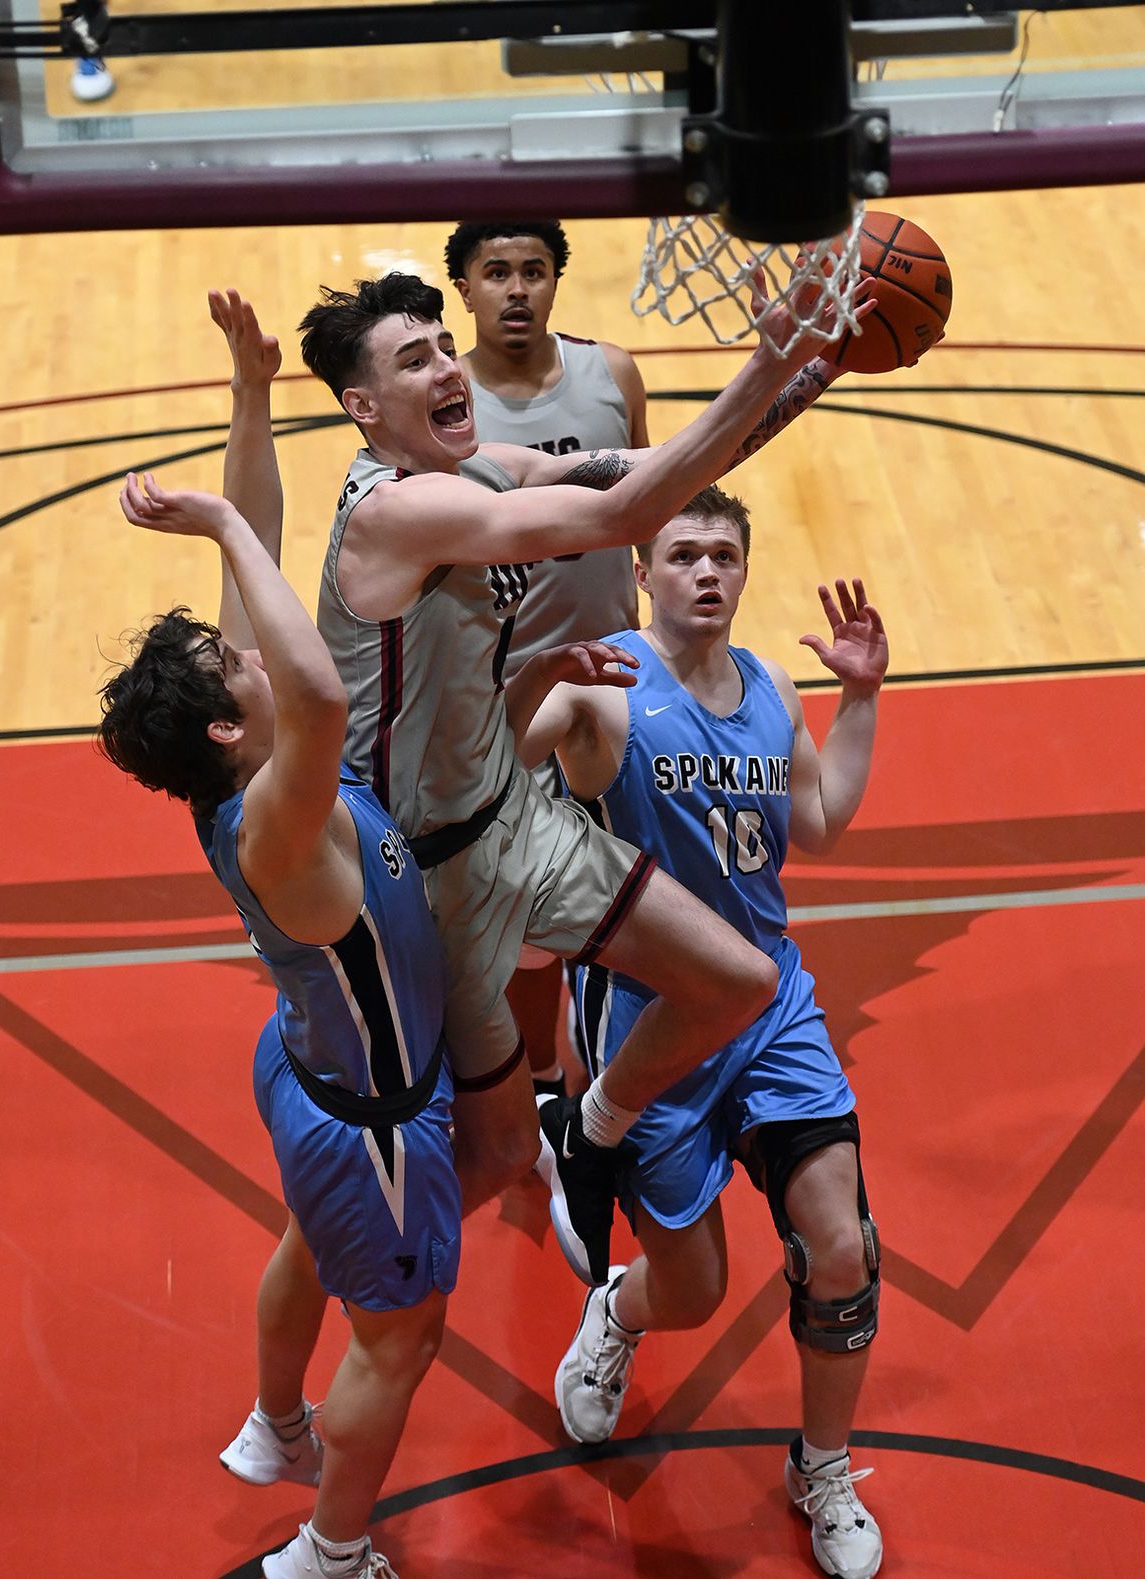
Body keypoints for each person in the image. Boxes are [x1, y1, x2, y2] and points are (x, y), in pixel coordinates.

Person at [295, 268, 873, 1282]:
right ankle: (335, 1274)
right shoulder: (395, 513)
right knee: (495, 1152)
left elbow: (650, 467)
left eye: (442, 347)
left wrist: (815, 368)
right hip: (424, 872)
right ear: (364, 408)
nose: (446, 367)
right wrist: (768, 357)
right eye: (413, 359)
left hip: (512, 815)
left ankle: (596, 1120)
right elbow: (628, 515)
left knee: (737, 977)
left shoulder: (484, 469)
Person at [96, 292, 460, 1579]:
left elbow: (265, 586)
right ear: (223, 726)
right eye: (224, 660)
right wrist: (210, 521)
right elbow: (311, 681)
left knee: (308, 1241)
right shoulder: (275, 807)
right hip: (377, 1118)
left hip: (305, 1070)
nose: (241, 648)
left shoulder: (246, 774)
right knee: (400, 1339)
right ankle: (332, 1549)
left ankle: (274, 1423)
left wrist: (250, 395)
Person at [509, 483, 888, 1579]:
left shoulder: (772, 685)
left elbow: (816, 822)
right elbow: (486, 759)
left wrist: (859, 697)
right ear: (644, 572)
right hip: (651, 1021)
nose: (707, 573)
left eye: (724, 554)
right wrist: (532, 674)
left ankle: (822, 1465)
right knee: (695, 1291)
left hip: (774, 1010)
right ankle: (619, 1314)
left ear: (744, 569)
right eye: (683, 554)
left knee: (844, 1251)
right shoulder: (609, 689)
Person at [445, 218, 650, 1100]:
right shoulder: (448, 407)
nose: (517, 289)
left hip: (618, 677)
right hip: (508, 699)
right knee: (521, 916)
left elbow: (652, 483)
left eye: (534, 270)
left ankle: (622, 1066)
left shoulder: (613, 372)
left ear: (557, 281)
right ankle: (535, 1076)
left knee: (633, 885)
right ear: (464, 288)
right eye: (496, 273)